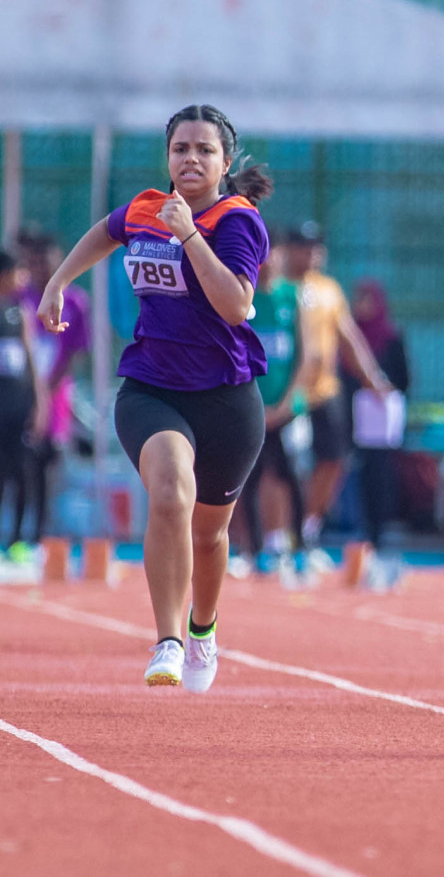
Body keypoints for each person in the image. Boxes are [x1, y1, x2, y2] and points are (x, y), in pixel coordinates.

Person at [36, 104, 271, 689]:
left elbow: (237, 306)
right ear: (167, 156)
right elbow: (105, 233)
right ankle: (166, 639)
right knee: (170, 491)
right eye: (181, 149)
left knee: (211, 533)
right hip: (151, 388)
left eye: (204, 150)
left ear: (224, 161)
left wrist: (188, 233)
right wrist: (60, 281)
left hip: (226, 398)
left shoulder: (237, 221)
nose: (191, 159)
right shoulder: (144, 209)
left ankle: (202, 629)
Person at [284, 223, 390, 569]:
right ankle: (278, 535)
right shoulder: (276, 285)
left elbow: (349, 337)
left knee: (334, 461)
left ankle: (308, 527)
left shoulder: (329, 290)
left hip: (324, 391)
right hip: (285, 393)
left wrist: (372, 377)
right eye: (305, 246)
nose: (313, 254)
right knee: (285, 467)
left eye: (317, 247)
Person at [232, 236, 310, 577]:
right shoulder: (243, 299)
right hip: (252, 408)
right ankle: (256, 550)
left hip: (285, 409)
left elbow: (304, 356)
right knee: (248, 478)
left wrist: (286, 403)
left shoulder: (292, 298)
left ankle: (300, 548)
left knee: (291, 476)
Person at [16, 230, 90, 554]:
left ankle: (40, 535)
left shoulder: (74, 302)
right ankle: (18, 533)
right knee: (18, 460)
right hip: (20, 394)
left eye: (46, 262)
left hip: (55, 394)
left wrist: (48, 389)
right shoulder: (18, 300)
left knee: (46, 461)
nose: (40, 269)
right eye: (34, 263)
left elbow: (74, 350)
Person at [347, 278, 409, 550]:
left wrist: (383, 388)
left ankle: (381, 527)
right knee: (358, 471)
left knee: (382, 471)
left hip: (381, 418)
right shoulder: (351, 336)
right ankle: (361, 526)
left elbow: (404, 377)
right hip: (355, 414)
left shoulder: (391, 337)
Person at [1, 250, 48, 555]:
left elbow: (31, 357)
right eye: (18, 272)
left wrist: (40, 402)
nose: (23, 279)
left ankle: (17, 539)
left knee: (21, 471)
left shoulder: (21, 311)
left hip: (18, 403)